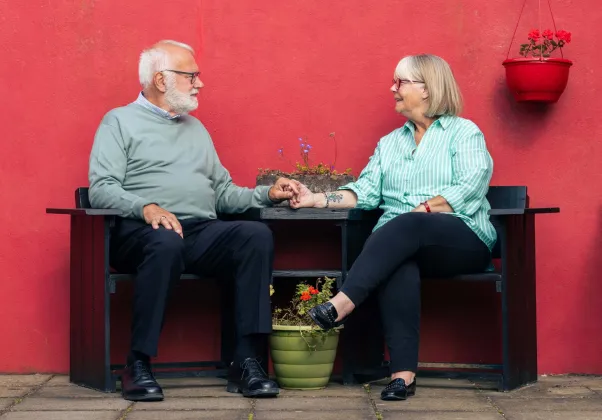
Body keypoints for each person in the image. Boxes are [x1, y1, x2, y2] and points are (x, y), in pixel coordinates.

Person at [88, 40, 299, 402]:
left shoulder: (196, 130)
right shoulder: (119, 121)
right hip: (142, 233)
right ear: (160, 79)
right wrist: (147, 208)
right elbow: (101, 188)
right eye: (191, 76)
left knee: (255, 235)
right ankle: (137, 364)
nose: (199, 84)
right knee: (165, 241)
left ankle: (247, 362)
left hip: (198, 231)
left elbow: (223, 194)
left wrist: (266, 194)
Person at [290, 54, 496, 402]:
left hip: (461, 239)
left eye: (400, 82)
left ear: (427, 89)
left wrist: (426, 208)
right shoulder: (390, 143)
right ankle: (402, 375)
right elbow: (365, 192)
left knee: (408, 223)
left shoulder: (464, 132)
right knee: (399, 260)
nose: (392, 88)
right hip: (403, 242)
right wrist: (316, 199)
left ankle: (340, 304)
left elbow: (472, 184)